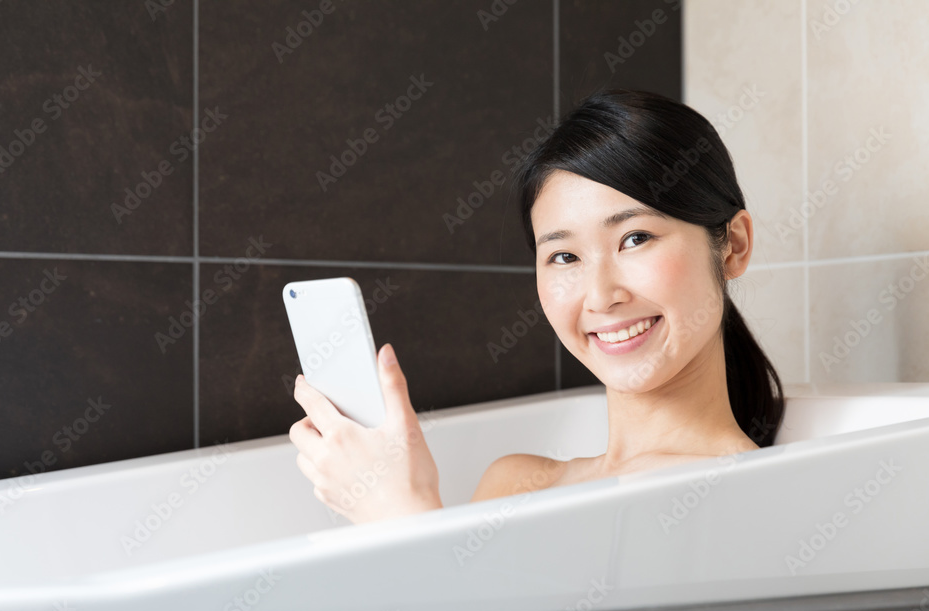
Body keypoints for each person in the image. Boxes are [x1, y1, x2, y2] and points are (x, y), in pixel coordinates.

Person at [289, 89, 785, 524]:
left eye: (635, 238)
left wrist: (395, 511)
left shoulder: (744, 496)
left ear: (734, 245)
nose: (601, 295)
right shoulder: (514, 483)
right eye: (564, 256)